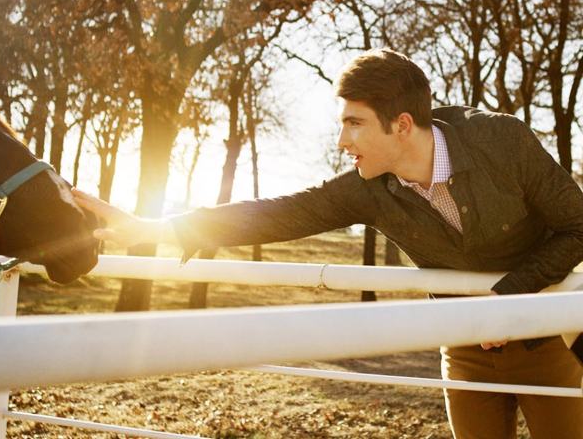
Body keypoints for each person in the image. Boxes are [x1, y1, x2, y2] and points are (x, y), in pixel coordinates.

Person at [72, 48, 583, 439]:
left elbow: (578, 225)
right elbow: (277, 213)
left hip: (547, 336)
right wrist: (155, 228)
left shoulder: (502, 140)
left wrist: (507, 299)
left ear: (402, 125)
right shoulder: (367, 187)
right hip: (465, 349)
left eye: (354, 123)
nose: (342, 141)